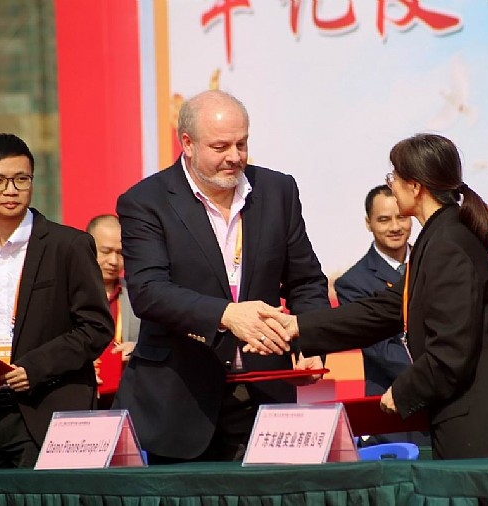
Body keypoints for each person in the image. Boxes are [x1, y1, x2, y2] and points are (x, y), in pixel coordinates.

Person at [265, 133, 488, 460]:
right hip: (470, 425)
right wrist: (298, 326)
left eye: (394, 178)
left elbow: (452, 350)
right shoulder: (438, 238)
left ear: (415, 186)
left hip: (485, 432)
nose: (391, 186)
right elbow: (385, 309)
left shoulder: (447, 245)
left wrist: (403, 390)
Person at [113, 89, 330, 463]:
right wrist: (227, 315)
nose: (235, 156)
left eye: (241, 143)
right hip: (180, 401)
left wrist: (309, 341)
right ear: (188, 144)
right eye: (220, 147)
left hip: (264, 396)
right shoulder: (146, 201)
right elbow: (149, 291)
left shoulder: (277, 191)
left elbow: (306, 280)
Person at [0, 133, 114, 468]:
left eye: (21, 179)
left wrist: (37, 367)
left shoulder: (68, 246)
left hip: (44, 409)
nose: (10, 190)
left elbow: (96, 327)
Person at [334, 184, 429, 446]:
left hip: (445, 406)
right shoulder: (353, 283)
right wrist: (434, 375)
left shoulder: (433, 264)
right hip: (393, 413)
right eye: (384, 220)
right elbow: (381, 349)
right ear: (369, 223)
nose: (395, 227)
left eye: (401, 217)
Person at [87, 214, 140, 361]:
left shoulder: (137, 293)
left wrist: (137, 349)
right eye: (106, 251)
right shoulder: (66, 291)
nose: (114, 261)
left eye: (120, 253)